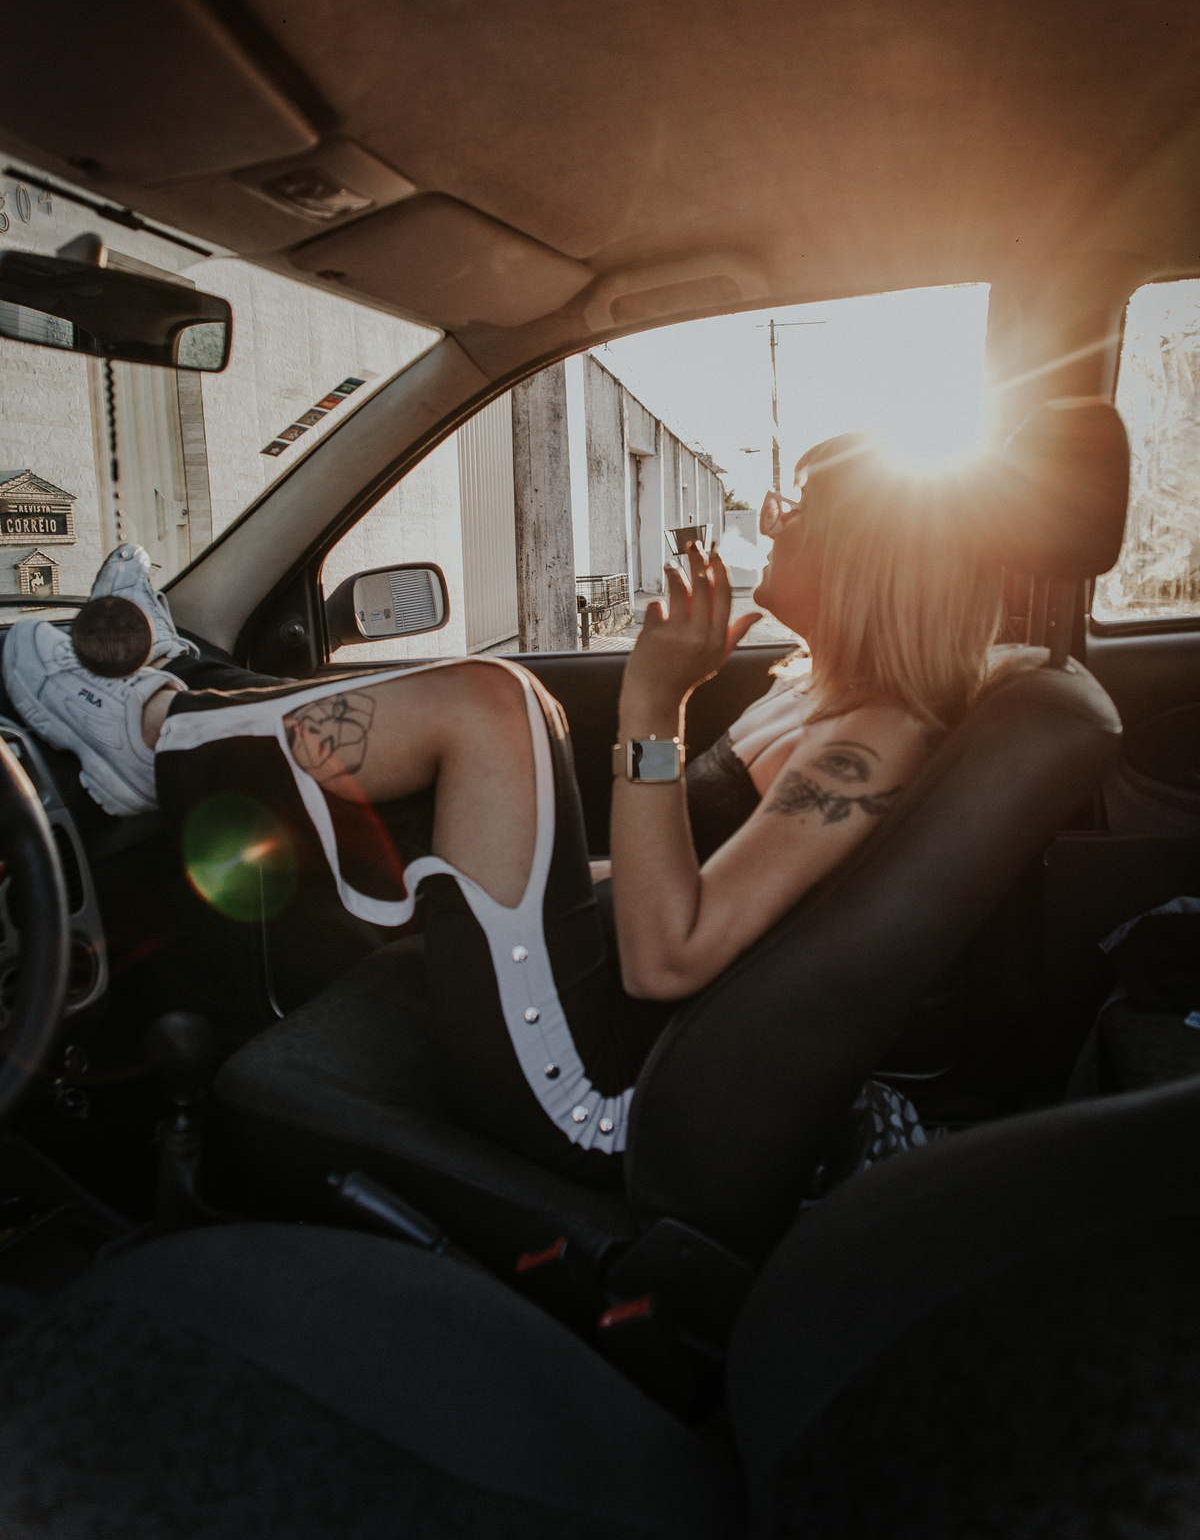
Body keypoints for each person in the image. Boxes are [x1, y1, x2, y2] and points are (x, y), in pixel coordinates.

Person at [2, 432, 1005, 1188]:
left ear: (871, 553)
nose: (773, 518)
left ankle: (146, 740)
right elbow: (690, 885)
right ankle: (177, 684)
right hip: (601, 996)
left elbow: (670, 957)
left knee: (496, 703)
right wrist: (539, 868)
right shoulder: (825, 693)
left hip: (602, 1090)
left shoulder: (876, 739)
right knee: (496, 708)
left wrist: (658, 701)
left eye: (800, 506)